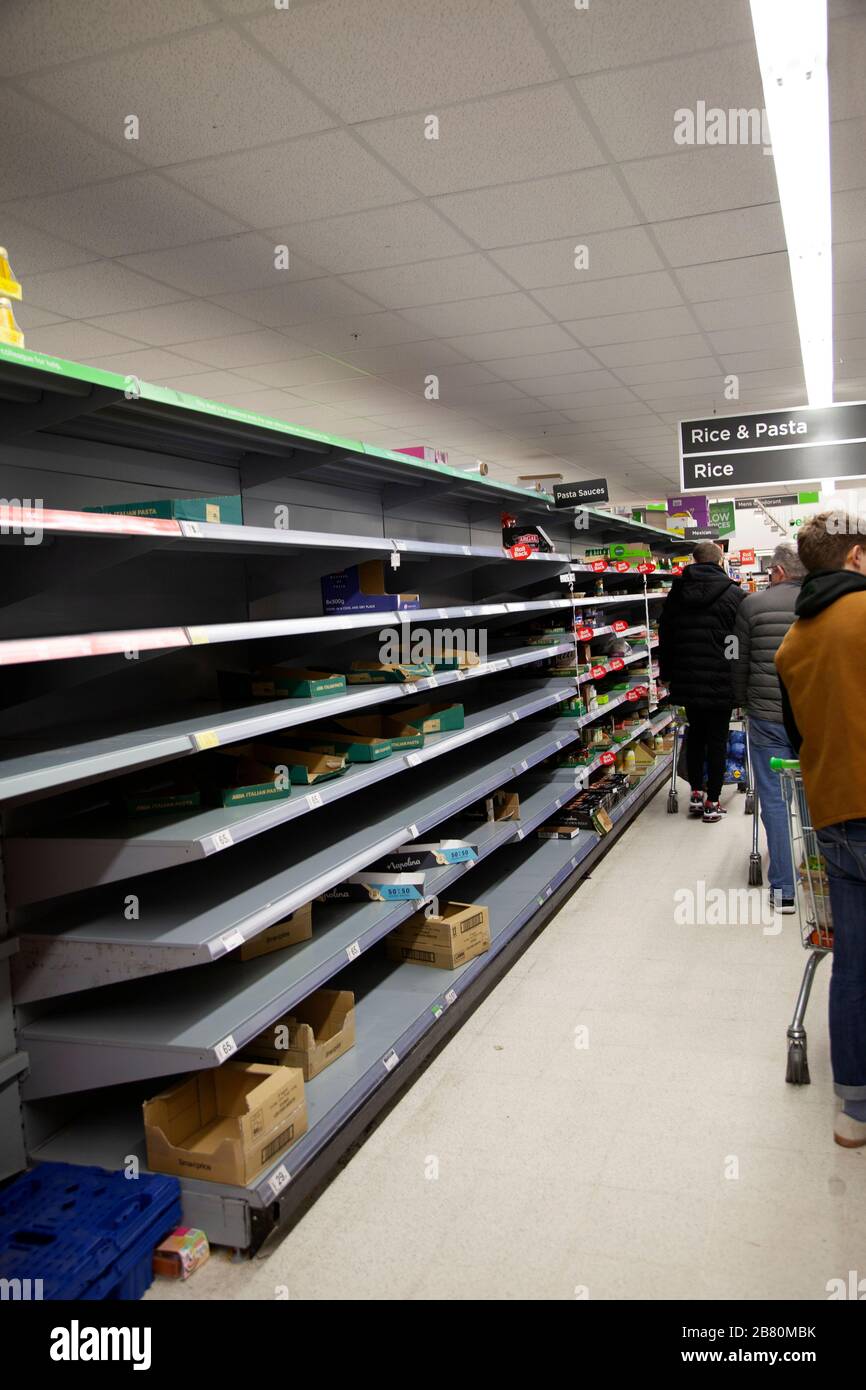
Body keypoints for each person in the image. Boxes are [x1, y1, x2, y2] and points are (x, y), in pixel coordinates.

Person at [775, 510, 866, 1149]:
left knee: (853, 962)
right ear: (857, 558)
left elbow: (800, 734)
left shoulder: (793, 643)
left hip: (835, 817)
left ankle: (854, 1109)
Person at [732, 542, 805, 913]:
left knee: (775, 801)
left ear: (776, 572)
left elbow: (738, 660)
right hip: (811, 718)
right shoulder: (821, 602)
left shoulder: (751, 605)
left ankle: (784, 890)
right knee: (813, 797)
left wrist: (742, 700)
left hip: (767, 716)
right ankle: (824, 877)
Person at [658, 540, 745, 822]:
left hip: (687, 677)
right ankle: (713, 802)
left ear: (693, 561)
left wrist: (668, 674)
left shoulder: (678, 592)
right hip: (721, 678)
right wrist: (731, 665)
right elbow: (736, 640)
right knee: (718, 739)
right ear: (720, 561)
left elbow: (667, 636)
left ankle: (695, 793)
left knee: (695, 734)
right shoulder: (735, 594)